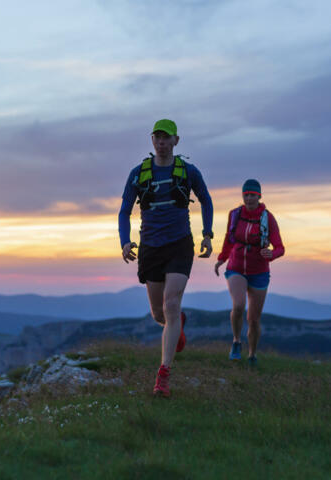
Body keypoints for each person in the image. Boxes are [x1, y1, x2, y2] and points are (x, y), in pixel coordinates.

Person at [119, 119, 214, 397]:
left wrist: (207, 234)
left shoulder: (189, 171)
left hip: (179, 245)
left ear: (176, 141)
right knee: (159, 313)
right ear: (152, 141)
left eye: (166, 138)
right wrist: (125, 242)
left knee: (171, 304)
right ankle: (177, 325)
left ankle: (163, 376)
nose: (161, 143)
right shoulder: (139, 174)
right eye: (157, 138)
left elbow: (206, 200)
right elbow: (124, 210)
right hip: (150, 247)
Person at [214, 179, 284, 366]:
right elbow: (229, 239)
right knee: (238, 306)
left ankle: (252, 354)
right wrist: (222, 258)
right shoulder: (235, 215)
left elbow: (280, 247)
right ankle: (237, 341)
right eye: (246, 194)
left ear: (259, 196)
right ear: (242, 195)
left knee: (253, 320)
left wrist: (272, 254)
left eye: (253, 195)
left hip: (259, 271)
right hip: (236, 267)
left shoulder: (267, 218)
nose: (249, 198)